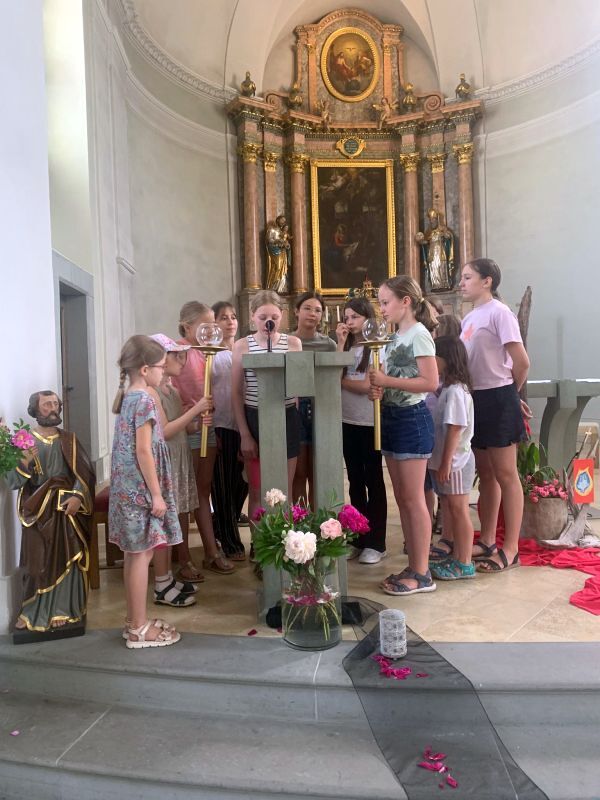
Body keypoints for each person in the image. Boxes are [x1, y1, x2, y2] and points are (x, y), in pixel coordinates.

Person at [109, 335, 181, 648]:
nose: (164, 372)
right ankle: (139, 629)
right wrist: (156, 494)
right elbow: (143, 450)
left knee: (135, 553)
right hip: (140, 488)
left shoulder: (130, 396)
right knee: (142, 554)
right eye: (161, 366)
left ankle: (133, 621)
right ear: (144, 368)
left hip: (128, 486)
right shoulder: (145, 399)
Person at [368, 276, 439, 596]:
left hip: (412, 419)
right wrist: (378, 388)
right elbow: (392, 377)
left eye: (386, 302)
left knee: (414, 499)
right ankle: (414, 565)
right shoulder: (395, 337)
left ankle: (422, 573)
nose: (381, 309)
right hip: (393, 417)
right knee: (403, 498)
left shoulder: (419, 334)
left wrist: (387, 382)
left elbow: (429, 382)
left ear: (406, 301)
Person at [4, 391, 95, 638]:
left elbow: (85, 474)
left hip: (65, 510)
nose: (53, 408)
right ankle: (32, 611)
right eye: (46, 405)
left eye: (55, 404)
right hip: (37, 510)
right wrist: (24, 461)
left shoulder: (69, 440)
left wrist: (78, 496)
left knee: (68, 558)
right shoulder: (24, 442)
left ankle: (64, 609)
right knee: (37, 563)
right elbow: (12, 482)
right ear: (35, 410)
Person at [459, 258, 530, 573]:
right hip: (477, 399)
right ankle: (487, 540)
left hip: (499, 397)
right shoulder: (470, 317)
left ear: (486, 281)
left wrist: (511, 396)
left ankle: (510, 549)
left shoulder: (500, 313)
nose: (461, 283)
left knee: (506, 474)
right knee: (485, 474)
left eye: (467, 277)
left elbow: (521, 362)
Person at [149, 334, 215, 598]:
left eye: (183, 355)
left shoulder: (173, 391)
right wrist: (196, 409)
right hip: (165, 459)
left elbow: (181, 427)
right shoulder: (152, 393)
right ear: (161, 360)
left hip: (179, 457)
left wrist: (198, 423)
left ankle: (171, 572)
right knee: (165, 518)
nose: (183, 360)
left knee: (180, 512)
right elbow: (164, 431)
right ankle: (163, 577)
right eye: (177, 355)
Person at [171, 301, 234, 576]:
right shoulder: (178, 352)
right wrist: (191, 420)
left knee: (202, 491)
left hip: (208, 426)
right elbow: (173, 394)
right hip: (187, 430)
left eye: (212, 325)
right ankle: (183, 557)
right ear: (187, 327)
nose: (211, 330)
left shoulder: (207, 351)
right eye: (205, 325)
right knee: (184, 495)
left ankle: (211, 551)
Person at [231, 290, 302, 528]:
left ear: (282, 315)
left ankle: (284, 542)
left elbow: (298, 386)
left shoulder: (293, 343)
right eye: (262, 317)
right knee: (258, 488)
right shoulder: (242, 345)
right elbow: (236, 391)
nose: (268, 322)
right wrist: (245, 434)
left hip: (287, 415)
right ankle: (259, 544)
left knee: (284, 486)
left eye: (274, 317)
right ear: (252, 316)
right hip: (255, 417)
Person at [336, 297, 388, 564]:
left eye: (355, 317)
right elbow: (332, 373)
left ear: (368, 318)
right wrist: (340, 342)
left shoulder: (376, 346)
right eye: (346, 317)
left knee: (373, 481)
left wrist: (342, 381)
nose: (350, 322)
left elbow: (369, 385)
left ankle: (377, 543)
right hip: (347, 421)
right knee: (355, 481)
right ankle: (358, 537)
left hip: (369, 422)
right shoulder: (347, 347)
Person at [427, 336, 476, 580]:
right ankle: (457, 555)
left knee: (459, 510)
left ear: (446, 359)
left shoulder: (456, 391)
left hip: (456, 463)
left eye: (434, 357)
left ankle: (464, 562)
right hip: (448, 461)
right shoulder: (448, 388)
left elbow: (455, 429)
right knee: (450, 508)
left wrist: (446, 463)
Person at [290, 291, 336, 506]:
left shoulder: (329, 344)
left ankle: (319, 521)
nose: (312, 313)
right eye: (307, 308)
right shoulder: (287, 342)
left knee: (317, 470)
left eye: (317, 310)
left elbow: (334, 378)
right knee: (299, 471)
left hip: (321, 407)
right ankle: (300, 520)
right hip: (295, 407)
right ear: (296, 311)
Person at [210, 301, 248, 560]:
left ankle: (224, 524)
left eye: (233, 317)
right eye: (223, 317)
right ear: (214, 323)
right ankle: (229, 540)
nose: (230, 321)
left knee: (242, 482)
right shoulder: (211, 354)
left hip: (244, 422)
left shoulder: (243, 349)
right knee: (222, 486)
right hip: (222, 423)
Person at [416, 209, 455, 292]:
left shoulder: (442, 229)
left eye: (433, 220)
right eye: (430, 220)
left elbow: (449, 236)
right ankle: (435, 285)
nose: (432, 222)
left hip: (441, 252)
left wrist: (446, 235)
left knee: (441, 266)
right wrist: (420, 240)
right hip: (432, 254)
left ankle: (444, 284)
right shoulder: (428, 232)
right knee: (433, 267)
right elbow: (425, 242)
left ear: (437, 220)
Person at [265, 216, 291, 294]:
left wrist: (287, 245)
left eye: (284, 221)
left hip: (282, 251)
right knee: (277, 267)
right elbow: (269, 240)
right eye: (282, 220)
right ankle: (273, 287)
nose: (283, 222)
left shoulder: (282, 232)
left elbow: (285, 240)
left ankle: (280, 288)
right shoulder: (271, 229)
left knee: (283, 268)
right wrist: (278, 241)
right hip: (275, 251)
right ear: (277, 220)